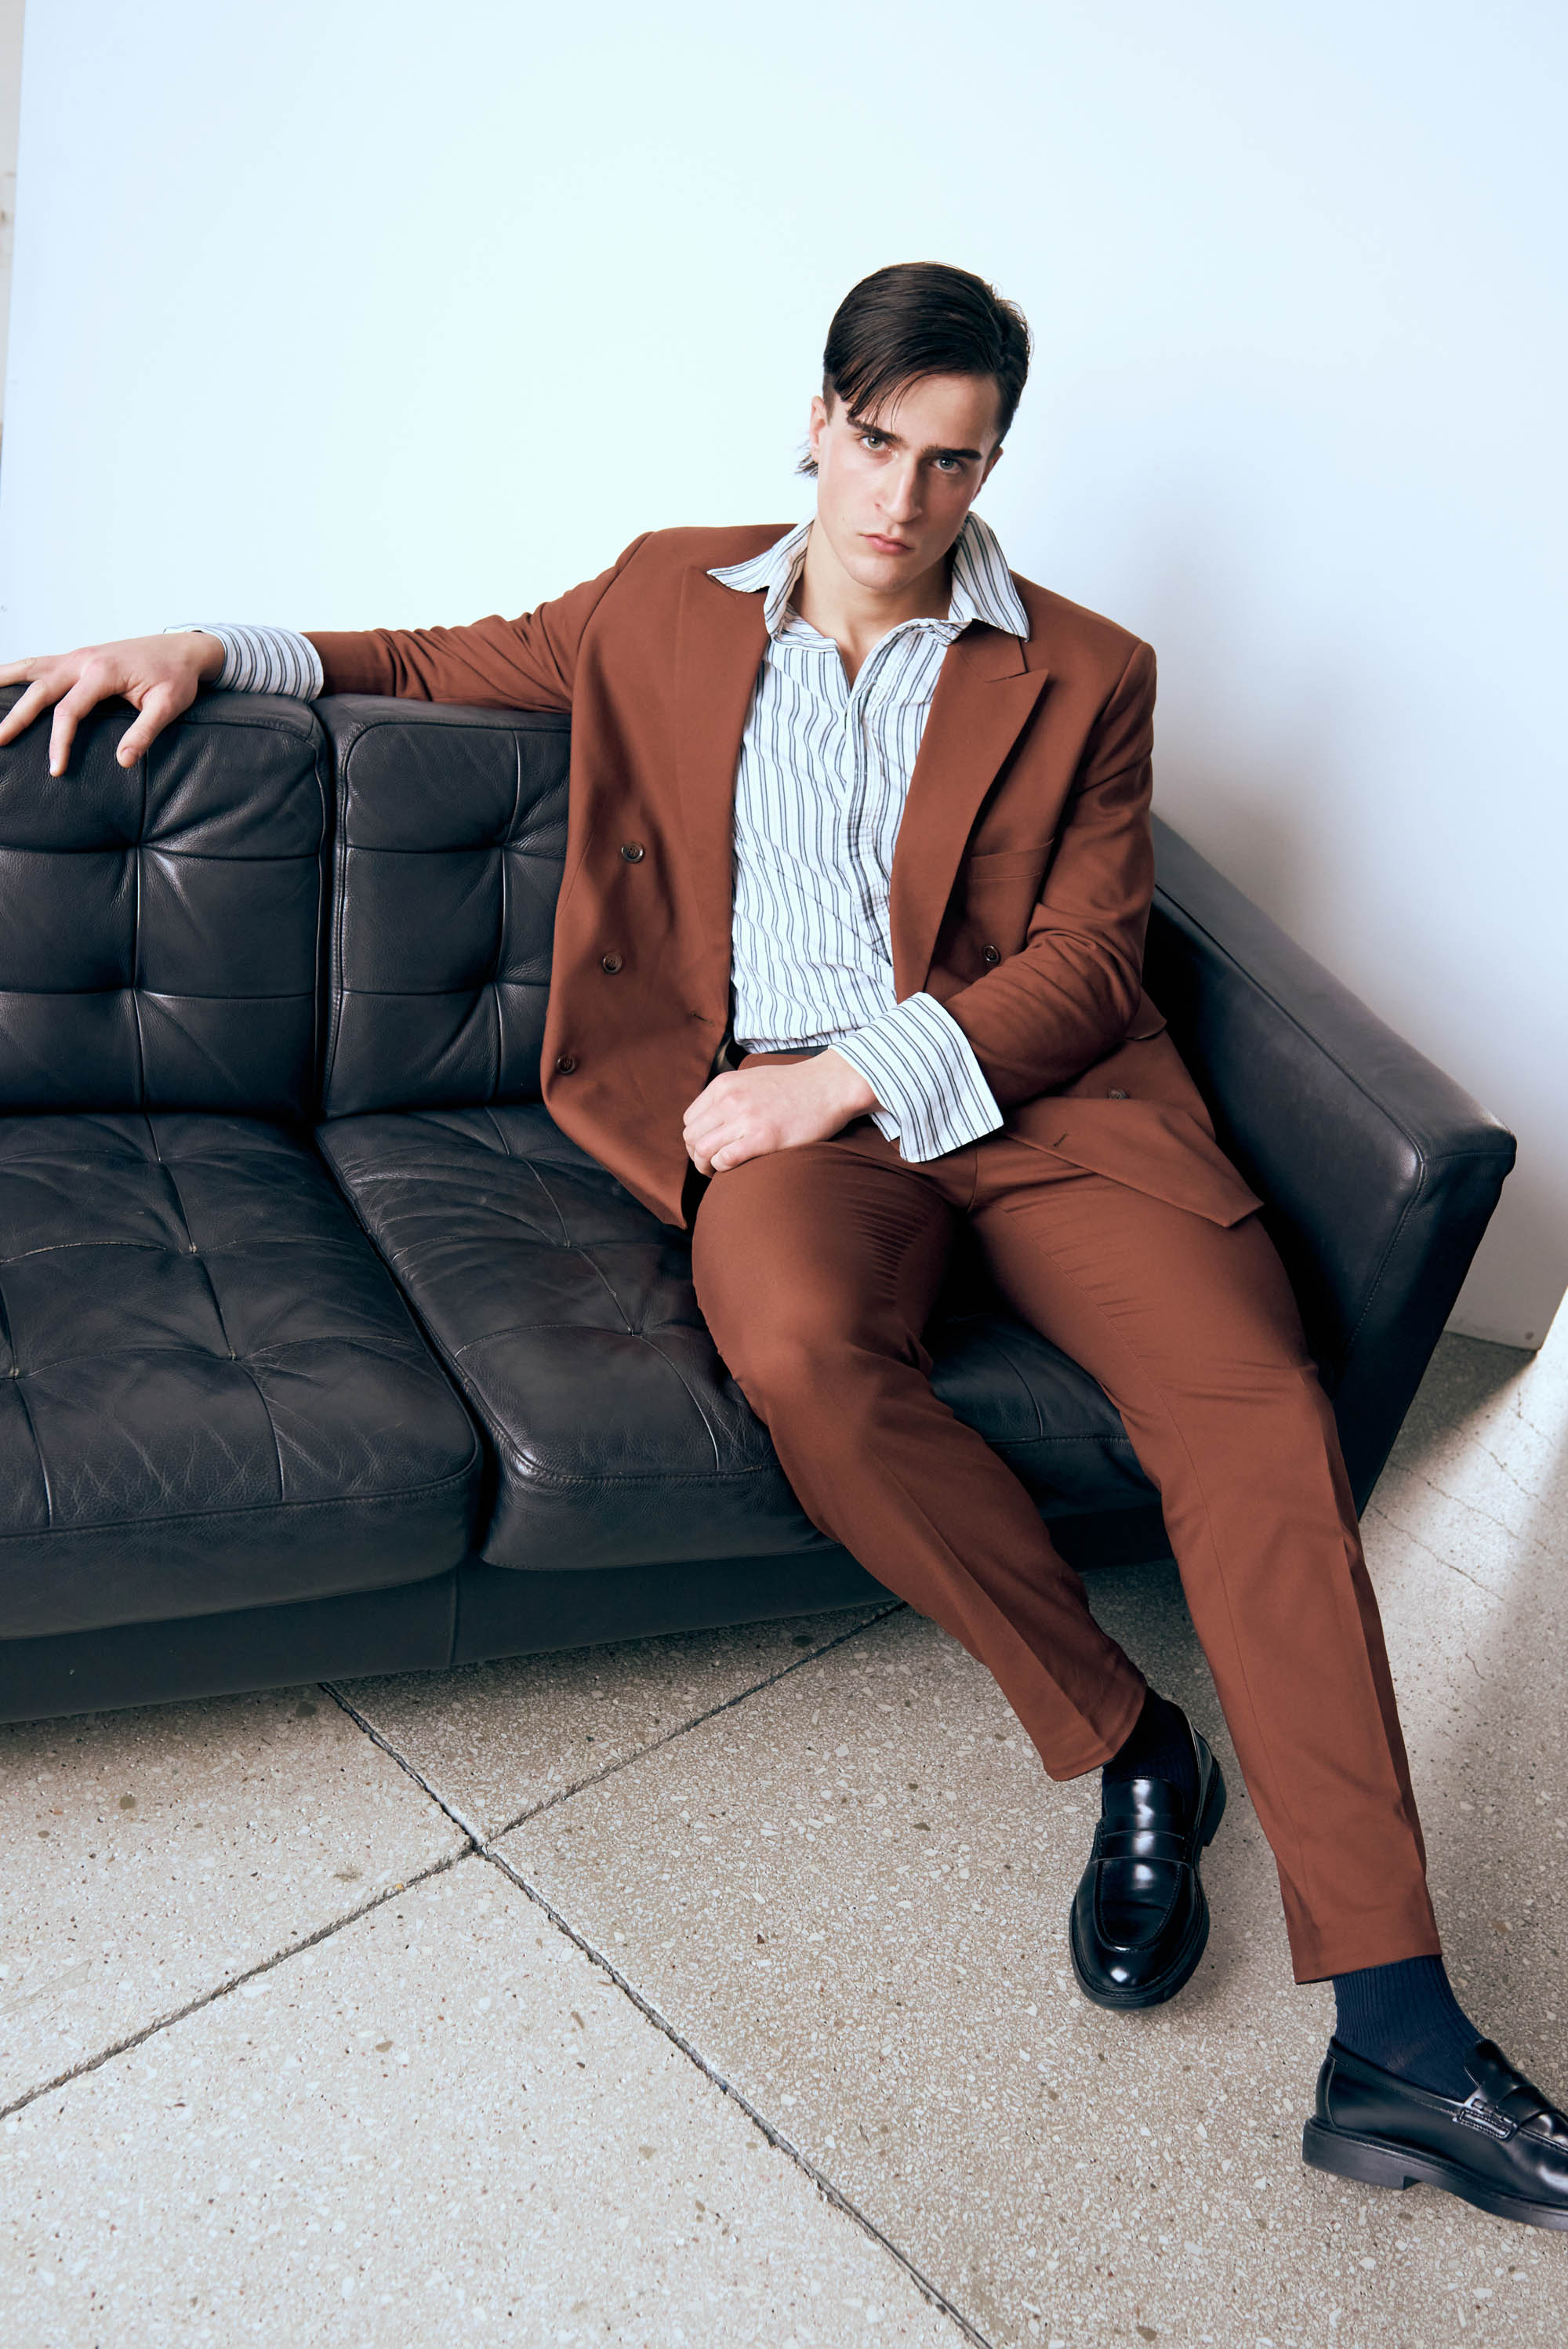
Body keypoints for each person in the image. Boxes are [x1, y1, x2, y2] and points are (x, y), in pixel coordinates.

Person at [5, 260, 1564, 2229]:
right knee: (806, 1359)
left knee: (1256, 1420)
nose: (905, 499)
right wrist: (198, 641)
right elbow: (433, 653)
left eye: (954, 460)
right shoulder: (664, 597)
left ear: (994, 463)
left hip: (1056, 1115)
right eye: (879, 442)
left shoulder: (1087, 670)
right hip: (783, 1132)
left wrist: (848, 1074)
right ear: (817, 422)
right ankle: (1131, 1739)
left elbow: (1090, 963)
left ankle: (1399, 2043)